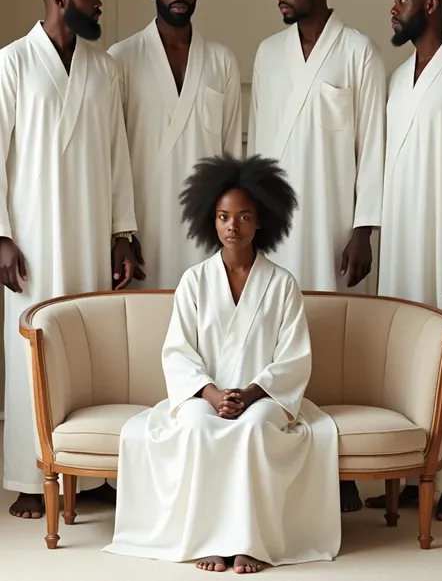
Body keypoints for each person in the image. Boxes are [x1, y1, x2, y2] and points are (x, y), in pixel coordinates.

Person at [104, 155, 341, 572]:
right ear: (211, 221)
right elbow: (178, 351)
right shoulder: (194, 281)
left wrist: (248, 395)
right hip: (204, 394)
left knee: (251, 428)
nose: (233, 226)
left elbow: (293, 357)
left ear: (261, 221)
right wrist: (213, 395)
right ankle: (209, 539)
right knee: (196, 424)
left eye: (244, 216)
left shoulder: (282, 284)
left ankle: (251, 542)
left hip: (265, 396)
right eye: (223, 216)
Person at [247, 0, 386, 513]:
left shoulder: (359, 53)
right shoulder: (266, 53)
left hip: (331, 224)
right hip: (276, 228)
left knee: (329, 341)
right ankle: (281, 463)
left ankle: (341, 472)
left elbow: (373, 145)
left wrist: (364, 228)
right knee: (275, 339)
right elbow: (257, 143)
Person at [0, 0, 137, 519]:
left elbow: (117, 156)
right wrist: (0, 236)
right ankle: (31, 478)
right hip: (30, 238)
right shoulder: (11, 63)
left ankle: (89, 467)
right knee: (32, 347)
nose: (98, 0)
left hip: (87, 235)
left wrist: (121, 233)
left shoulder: (104, 69)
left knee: (88, 349)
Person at [364, 0, 442, 522]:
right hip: (403, 237)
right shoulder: (397, 76)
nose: (393, 7)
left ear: (430, 6)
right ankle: (413, 471)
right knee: (409, 354)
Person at [108, 0, 242, 290]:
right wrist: (121, 231)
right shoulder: (121, 58)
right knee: (143, 329)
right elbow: (111, 151)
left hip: (204, 222)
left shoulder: (221, 61)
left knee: (206, 323)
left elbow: (231, 156)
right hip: (144, 220)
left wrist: (230, 225)